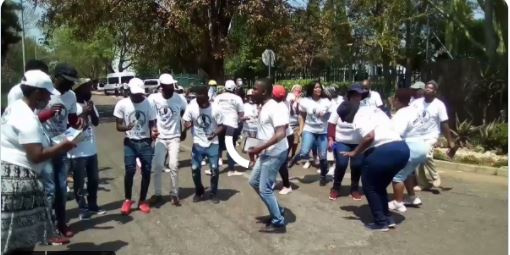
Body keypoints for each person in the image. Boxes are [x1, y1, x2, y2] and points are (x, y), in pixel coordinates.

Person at [1, 70, 75, 252]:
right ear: (37, 92)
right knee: (22, 240)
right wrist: (63, 146)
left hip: (8, 176)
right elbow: (36, 155)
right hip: (19, 185)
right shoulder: (28, 119)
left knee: (10, 238)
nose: (49, 98)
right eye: (47, 93)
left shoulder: (15, 107)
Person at [339, 102, 410, 231]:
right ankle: (388, 218)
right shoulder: (374, 111)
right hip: (402, 149)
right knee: (379, 186)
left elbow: (369, 137)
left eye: (345, 119)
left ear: (349, 114)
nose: (347, 122)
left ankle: (380, 222)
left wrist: (355, 152)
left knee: (370, 187)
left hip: (384, 151)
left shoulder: (357, 117)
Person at [37, 63, 82, 238]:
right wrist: (47, 113)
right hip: (44, 147)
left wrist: (77, 125)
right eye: (67, 81)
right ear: (56, 78)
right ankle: (47, 227)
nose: (70, 86)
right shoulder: (43, 92)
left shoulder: (71, 95)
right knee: (50, 190)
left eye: (72, 82)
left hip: (61, 147)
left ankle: (61, 223)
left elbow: (71, 119)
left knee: (62, 189)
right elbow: (31, 119)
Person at [248, 79, 289, 233]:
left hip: (275, 153)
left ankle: (278, 222)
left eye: (254, 89)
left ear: (264, 91)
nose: (252, 91)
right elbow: (265, 132)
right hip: (266, 152)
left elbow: (281, 133)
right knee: (253, 181)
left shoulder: (276, 108)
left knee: (265, 188)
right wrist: (255, 147)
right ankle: (277, 211)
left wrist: (260, 148)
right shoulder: (264, 107)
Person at [114, 78, 157, 215]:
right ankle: (127, 200)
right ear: (129, 91)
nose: (139, 96)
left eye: (140, 94)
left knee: (147, 170)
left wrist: (154, 131)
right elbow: (118, 126)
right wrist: (127, 127)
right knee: (130, 170)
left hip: (145, 142)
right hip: (130, 142)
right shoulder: (122, 104)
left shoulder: (149, 104)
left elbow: (152, 122)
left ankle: (143, 200)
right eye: (136, 93)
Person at [68, 78, 106, 220]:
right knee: (79, 182)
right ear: (79, 90)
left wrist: (91, 110)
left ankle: (93, 205)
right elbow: (75, 128)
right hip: (77, 152)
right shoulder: (73, 106)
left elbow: (96, 123)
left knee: (94, 180)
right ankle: (82, 208)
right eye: (87, 88)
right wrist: (84, 112)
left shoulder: (88, 104)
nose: (90, 90)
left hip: (91, 149)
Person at [388, 88, 430, 213]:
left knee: (397, 176)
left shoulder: (401, 114)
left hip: (411, 148)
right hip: (422, 147)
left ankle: (398, 202)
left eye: (393, 99)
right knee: (407, 173)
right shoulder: (414, 110)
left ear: (396, 100)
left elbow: (396, 134)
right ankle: (412, 197)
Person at [147, 74, 187, 207]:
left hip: (174, 137)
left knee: (173, 165)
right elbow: (149, 115)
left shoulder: (179, 99)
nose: (172, 88)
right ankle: (157, 194)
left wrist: (184, 130)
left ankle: (174, 194)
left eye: (172, 86)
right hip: (160, 137)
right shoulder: (153, 99)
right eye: (169, 87)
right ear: (162, 87)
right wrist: (152, 129)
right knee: (157, 166)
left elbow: (185, 115)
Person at [410, 80, 456, 190]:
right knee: (417, 158)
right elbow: (409, 117)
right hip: (417, 135)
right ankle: (423, 183)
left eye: (430, 88)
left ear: (435, 91)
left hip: (431, 136)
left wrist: (450, 141)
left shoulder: (439, 105)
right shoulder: (416, 103)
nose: (427, 89)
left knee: (426, 154)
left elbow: (444, 123)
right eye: (426, 87)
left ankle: (435, 176)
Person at [182, 86, 225, 204]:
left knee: (215, 169)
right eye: (197, 97)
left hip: (213, 143)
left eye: (201, 98)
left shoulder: (216, 109)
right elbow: (186, 120)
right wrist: (186, 126)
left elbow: (222, 126)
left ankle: (213, 192)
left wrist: (214, 133)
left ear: (207, 97)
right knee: (195, 168)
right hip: (198, 143)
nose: (198, 101)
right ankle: (199, 190)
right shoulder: (191, 107)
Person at [289, 81, 331, 186]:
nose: (318, 89)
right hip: (309, 130)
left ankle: (323, 176)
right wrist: (301, 130)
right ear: (311, 89)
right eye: (316, 88)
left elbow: (330, 118)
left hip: (323, 132)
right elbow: (302, 116)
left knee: (323, 156)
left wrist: (324, 114)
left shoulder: (327, 101)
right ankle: (295, 159)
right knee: (304, 152)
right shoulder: (305, 101)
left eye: (320, 87)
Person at [327, 84, 364, 201]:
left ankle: (354, 189)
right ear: (349, 96)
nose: (356, 98)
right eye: (354, 95)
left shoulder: (364, 109)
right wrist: (331, 138)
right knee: (342, 164)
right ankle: (336, 188)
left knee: (357, 166)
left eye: (359, 95)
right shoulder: (340, 107)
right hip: (342, 141)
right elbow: (331, 123)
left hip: (358, 142)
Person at [214, 80, 244, 176]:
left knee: (218, 146)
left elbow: (213, 111)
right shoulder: (237, 98)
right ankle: (231, 170)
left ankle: (215, 168)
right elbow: (241, 113)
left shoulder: (218, 97)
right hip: (232, 125)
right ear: (234, 88)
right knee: (231, 147)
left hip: (220, 125)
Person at [273, 85, 294, 195]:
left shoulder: (282, 105)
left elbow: (284, 126)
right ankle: (273, 181)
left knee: (281, 161)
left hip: (286, 136)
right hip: (280, 135)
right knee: (275, 160)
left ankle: (287, 185)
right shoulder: (277, 104)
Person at [286, 84, 302, 158]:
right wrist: (295, 99)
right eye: (296, 89)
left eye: (299, 90)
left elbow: (300, 112)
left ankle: (292, 155)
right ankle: (286, 155)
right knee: (287, 140)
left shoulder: (301, 99)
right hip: (288, 122)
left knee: (296, 141)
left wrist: (299, 101)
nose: (298, 90)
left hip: (296, 123)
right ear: (293, 90)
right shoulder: (289, 96)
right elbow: (289, 101)